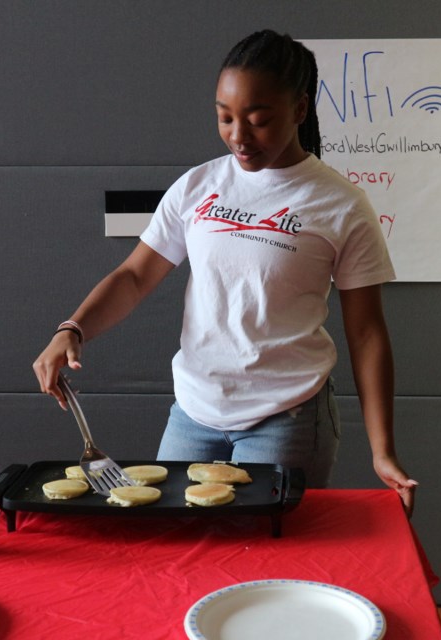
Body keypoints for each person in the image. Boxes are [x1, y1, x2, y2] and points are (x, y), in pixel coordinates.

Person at [33, 29, 418, 514]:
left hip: (287, 414)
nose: (239, 135)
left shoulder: (340, 204)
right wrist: (73, 327)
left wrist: (382, 451)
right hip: (195, 411)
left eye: (258, 120)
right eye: (225, 117)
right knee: (172, 544)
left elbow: (366, 332)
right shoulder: (198, 186)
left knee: (259, 554)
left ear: (299, 110)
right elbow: (134, 276)